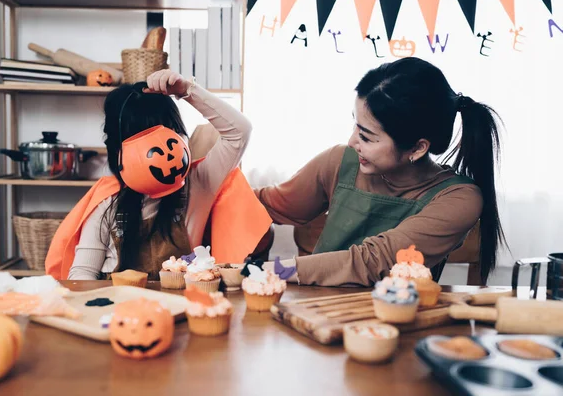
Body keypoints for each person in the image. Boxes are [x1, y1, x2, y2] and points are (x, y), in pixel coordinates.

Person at [257, 57, 506, 286]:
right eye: (355, 125)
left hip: (396, 323)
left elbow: (375, 261)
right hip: (313, 315)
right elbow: (267, 204)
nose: (353, 141)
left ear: (418, 148)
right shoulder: (340, 161)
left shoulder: (459, 199)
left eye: (366, 136)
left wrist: (272, 271)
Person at [45, 69, 271, 280]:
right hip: (121, 312)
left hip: (182, 308)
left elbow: (239, 132)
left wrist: (187, 90)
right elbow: (83, 273)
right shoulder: (107, 202)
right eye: (144, 141)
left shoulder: (199, 183)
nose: (160, 154)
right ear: (118, 150)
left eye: (168, 133)